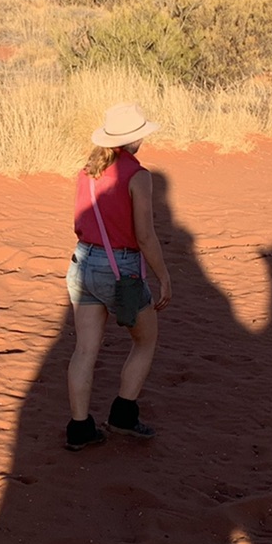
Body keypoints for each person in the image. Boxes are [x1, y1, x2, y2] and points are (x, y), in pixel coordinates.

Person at [65, 103, 172, 450]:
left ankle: (79, 428)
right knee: (145, 340)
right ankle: (123, 415)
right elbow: (144, 236)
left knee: (85, 349)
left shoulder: (87, 170)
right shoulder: (138, 176)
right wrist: (163, 276)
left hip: (83, 263)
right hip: (120, 270)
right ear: (135, 138)